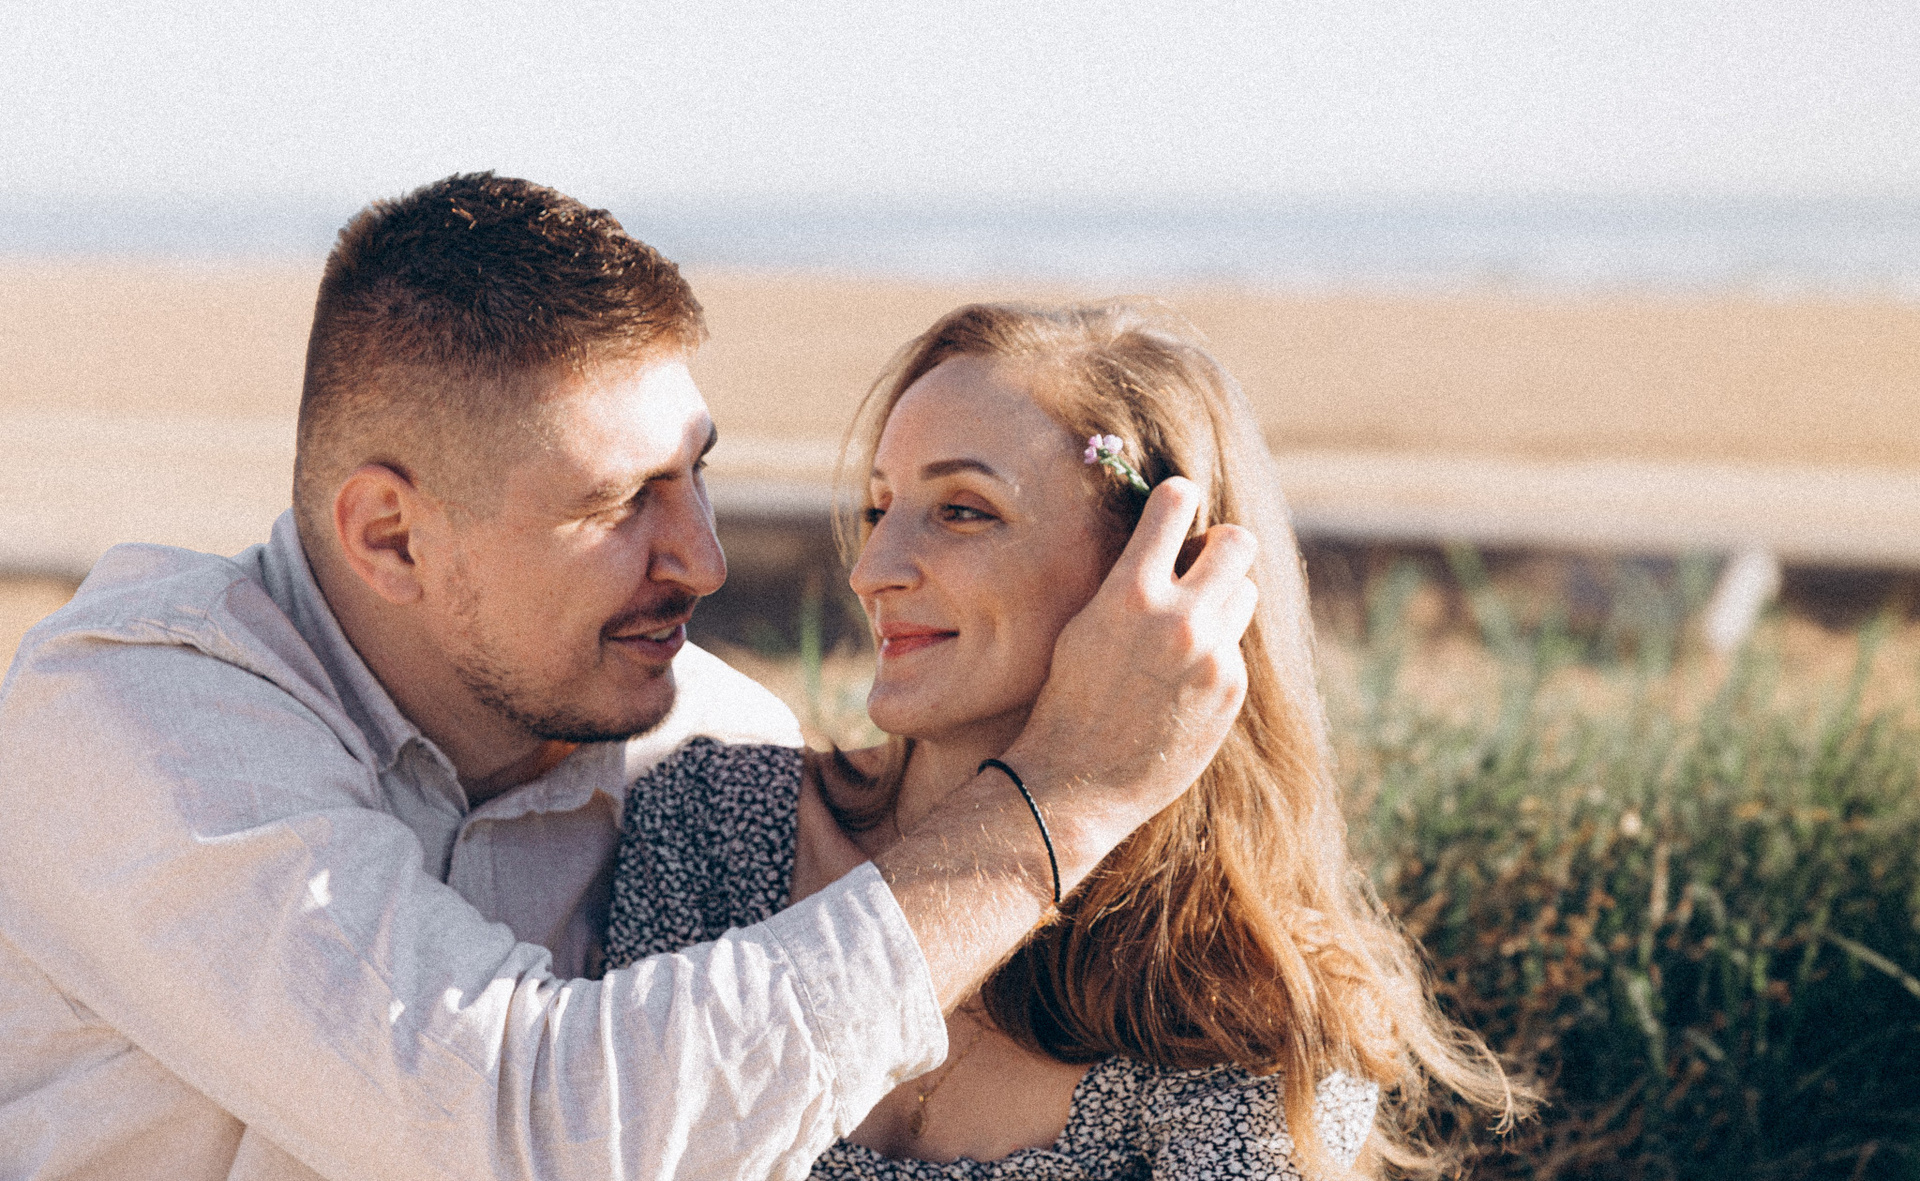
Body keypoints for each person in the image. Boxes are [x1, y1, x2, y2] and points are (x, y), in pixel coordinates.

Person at [0, 177, 1260, 1181]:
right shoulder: (129, 716)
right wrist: (1059, 800)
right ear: (390, 536)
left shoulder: (708, 750)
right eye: (618, 503)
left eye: (695, 473)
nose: (703, 560)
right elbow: (527, 1132)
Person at [604, 302, 1525, 1179]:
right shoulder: (715, 825)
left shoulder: (1241, 994)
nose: (873, 569)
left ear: (1154, 570)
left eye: (963, 509)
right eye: (881, 507)